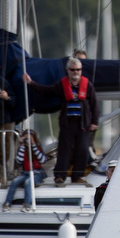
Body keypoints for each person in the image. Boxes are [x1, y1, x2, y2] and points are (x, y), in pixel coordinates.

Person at [23, 58, 98, 186]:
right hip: (68, 123)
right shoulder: (62, 85)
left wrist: (94, 122)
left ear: (81, 71)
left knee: (83, 149)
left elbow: (94, 105)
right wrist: (31, 83)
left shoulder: (88, 85)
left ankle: (77, 176)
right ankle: (60, 176)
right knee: (64, 150)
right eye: (73, 70)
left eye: (78, 70)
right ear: (68, 70)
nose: (75, 72)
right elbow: (47, 90)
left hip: (83, 124)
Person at [4, 129, 48, 210]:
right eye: (26, 137)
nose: (28, 140)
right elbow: (19, 160)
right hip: (25, 173)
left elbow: (43, 160)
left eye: (30, 138)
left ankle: (27, 204)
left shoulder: (37, 147)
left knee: (28, 182)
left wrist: (34, 145)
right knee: (15, 181)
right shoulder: (22, 148)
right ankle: (7, 203)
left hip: (37, 173)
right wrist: (22, 145)